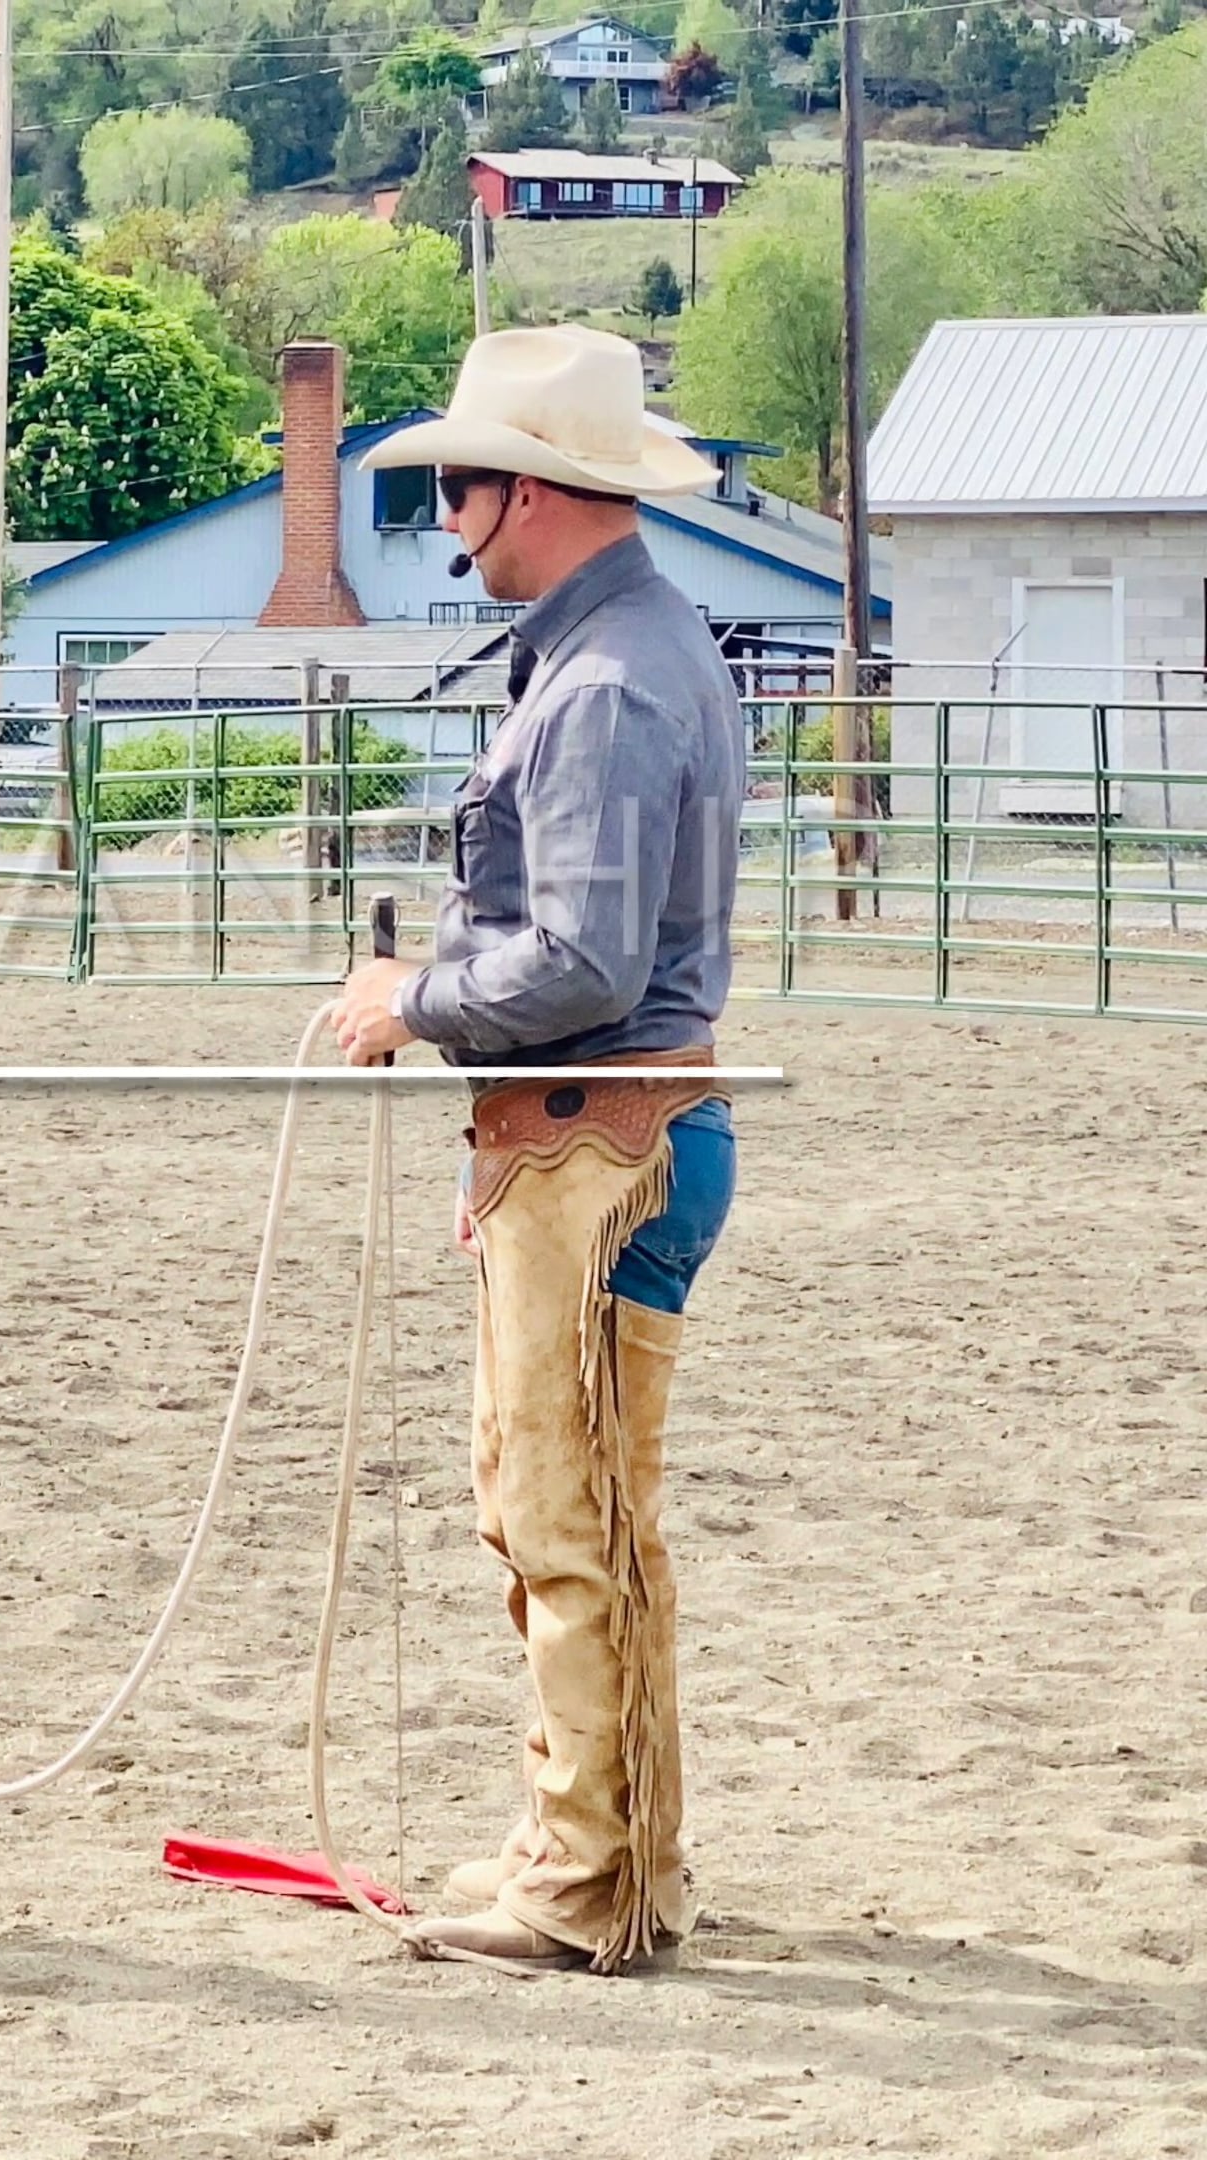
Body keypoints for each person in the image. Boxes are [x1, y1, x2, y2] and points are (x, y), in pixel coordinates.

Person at [330, 325, 748, 1976]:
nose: (445, 519)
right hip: (619, 1135)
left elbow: (577, 964)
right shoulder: (639, 651)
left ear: (534, 491)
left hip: (591, 1147)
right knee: (602, 1515)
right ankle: (628, 1855)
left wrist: (407, 1001)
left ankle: (581, 1879)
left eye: (455, 485)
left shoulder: (603, 684)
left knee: (557, 1513)